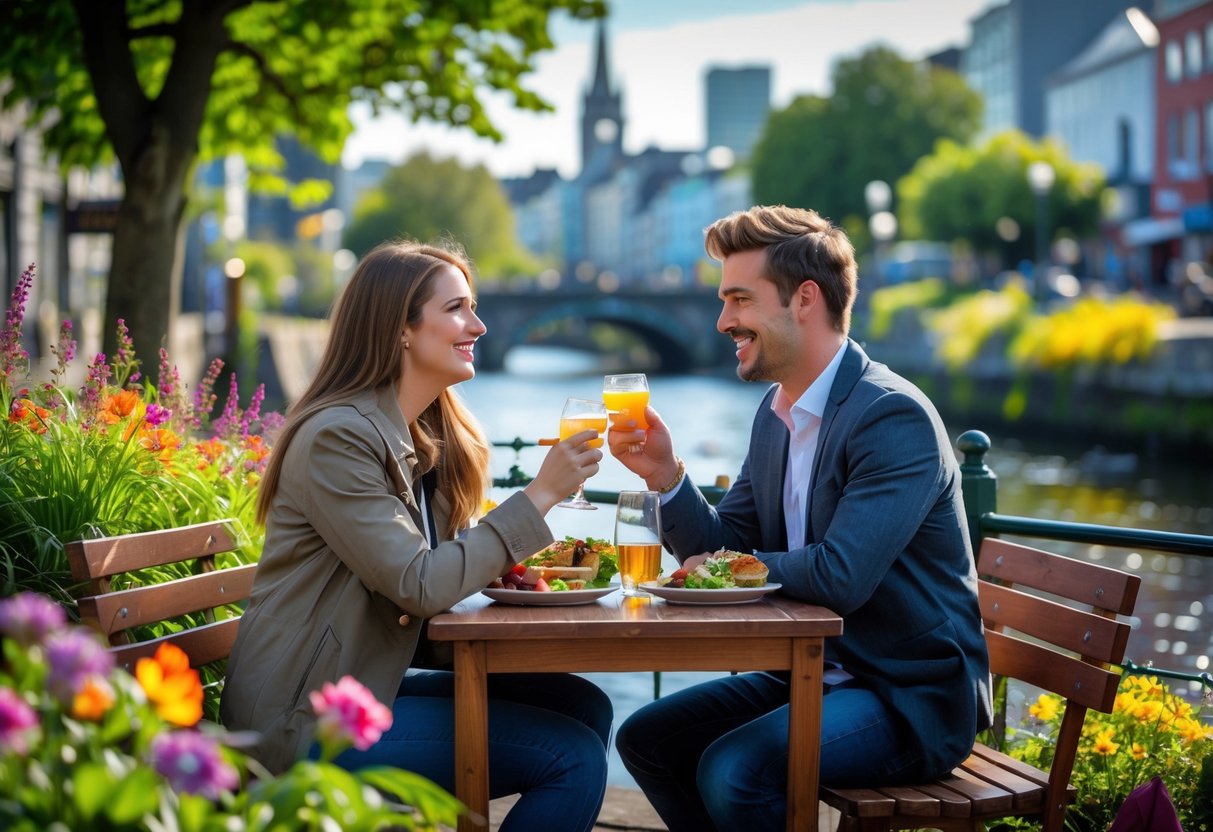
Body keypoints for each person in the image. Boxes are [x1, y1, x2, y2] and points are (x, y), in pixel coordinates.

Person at [607, 205, 993, 832]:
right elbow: (725, 543)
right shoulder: (777, 411)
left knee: (735, 768)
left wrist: (727, 570)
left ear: (805, 298)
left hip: (907, 697)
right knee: (648, 738)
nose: (723, 320)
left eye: (739, 299)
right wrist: (665, 475)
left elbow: (841, 575)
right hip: (818, 675)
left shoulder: (892, 418)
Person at [220, 240, 612, 832]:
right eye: (457, 308)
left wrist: (503, 568)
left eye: (473, 306)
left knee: (584, 706)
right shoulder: (339, 438)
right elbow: (419, 584)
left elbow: (430, 586)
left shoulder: (420, 435)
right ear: (400, 328)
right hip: (303, 720)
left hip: (361, 684)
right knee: (570, 757)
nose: (478, 325)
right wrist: (540, 495)